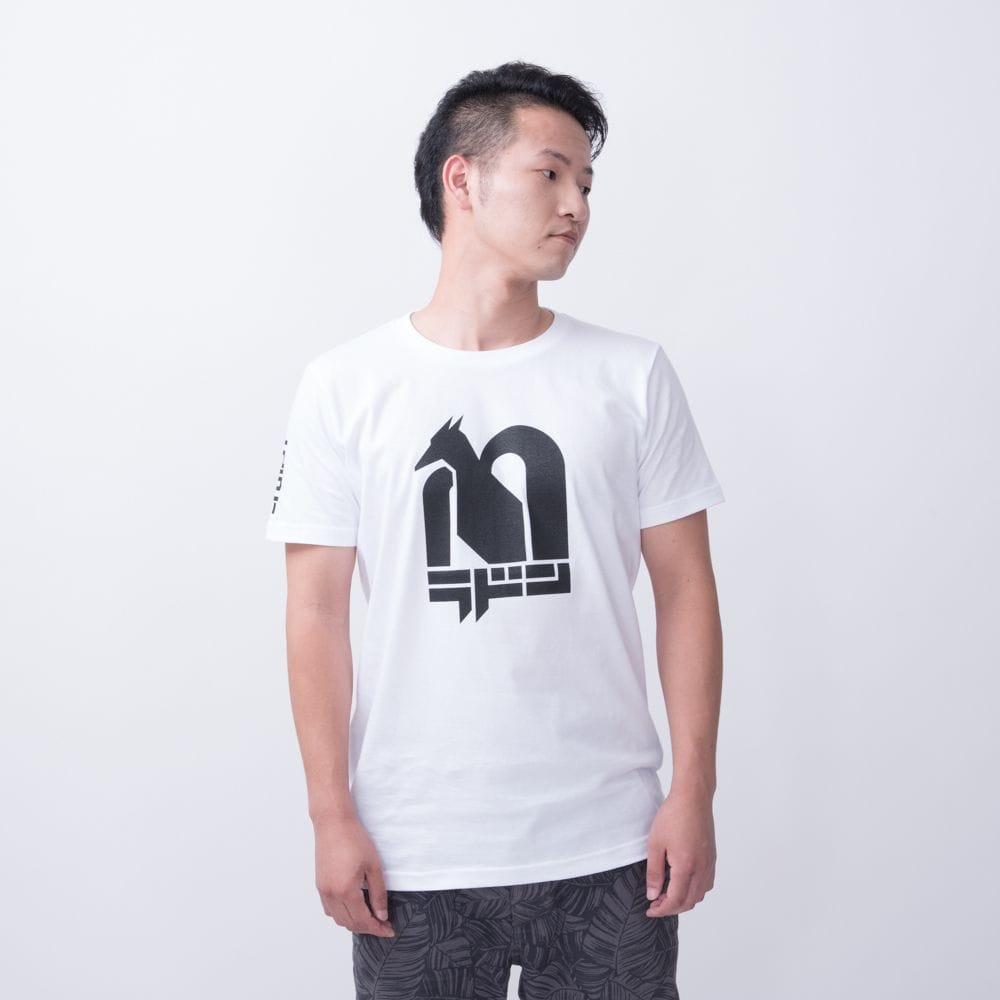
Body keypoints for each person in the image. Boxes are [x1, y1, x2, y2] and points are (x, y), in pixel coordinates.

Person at [265, 60, 724, 1000]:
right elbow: (314, 613)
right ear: (463, 180)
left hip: (610, 845)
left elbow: (686, 591)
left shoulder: (631, 376)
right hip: (415, 849)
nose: (577, 205)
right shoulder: (345, 387)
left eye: (587, 183)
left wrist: (693, 792)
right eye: (550, 173)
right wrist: (329, 815)